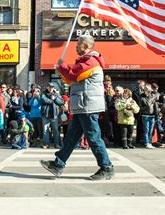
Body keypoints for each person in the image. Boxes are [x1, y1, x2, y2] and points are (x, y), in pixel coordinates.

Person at [40, 35, 114, 181]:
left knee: (93, 138)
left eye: (78, 44)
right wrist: (61, 71)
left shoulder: (91, 61)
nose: (75, 47)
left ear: (85, 46)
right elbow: (71, 78)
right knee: (71, 137)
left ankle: (106, 167)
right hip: (82, 105)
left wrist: (62, 66)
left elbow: (74, 73)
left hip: (87, 105)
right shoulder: (86, 61)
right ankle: (58, 164)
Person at [41, 82, 64, 149]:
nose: (51, 88)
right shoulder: (43, 94)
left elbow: (61, 102)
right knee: (45, 130)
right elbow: (43, 100)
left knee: (55, 130)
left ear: (53, 88)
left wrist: (55, 99)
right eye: (49, 87)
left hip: (54, 115)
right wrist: (52, 100)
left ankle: (56, 144)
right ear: (47, 87)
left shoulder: (56, 94)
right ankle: (46, 144)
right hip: (45, 115)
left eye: (52, 87)